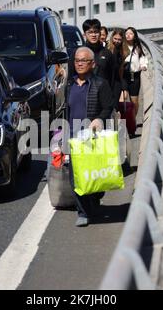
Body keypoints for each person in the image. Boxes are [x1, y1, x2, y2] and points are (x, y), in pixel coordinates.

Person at [66, 47, 113, 227]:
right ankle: (83, 212)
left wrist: (99, 119)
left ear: (92, 64)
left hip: (93, 137)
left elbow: (108, 107)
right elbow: (64, 110)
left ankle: (94, 200)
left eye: (83, 60)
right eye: (77, 60)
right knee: (76, 178)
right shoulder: (69, 84)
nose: (79, 63)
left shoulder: (100, 84)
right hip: (73, 138)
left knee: (93, 176)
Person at [82, 19, 115, 88]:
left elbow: (114, 78)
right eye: (90, 32)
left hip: (104, 94)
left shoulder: (107, 53)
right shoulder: (78, 54)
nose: (93, 35)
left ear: (100, 33)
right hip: (84, 94)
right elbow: (71, 80)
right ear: (84, 34)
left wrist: (113, 97)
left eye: (96, 32)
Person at [123, 27, 148, 117]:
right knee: (123, 97)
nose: (128, 35)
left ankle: (133, 119)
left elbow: (143, 58)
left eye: (130, 34)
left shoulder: (138, 47)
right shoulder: (122, 46)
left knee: (134, 101)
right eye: (126, 34)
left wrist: (143, 65)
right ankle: (122, 120)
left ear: (134, 36)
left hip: (135, 76)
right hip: (124, 76)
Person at [107, 28, 130, 111]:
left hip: (117, 81)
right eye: (115, 39)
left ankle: (114, 123)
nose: (117, 41)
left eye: (119, 40)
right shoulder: (107, 49)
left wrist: (124, 88)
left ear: (122, 40)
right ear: (112, 38)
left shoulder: (124, 52)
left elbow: (122, 71)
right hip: (107, 81)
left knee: (115, 106)